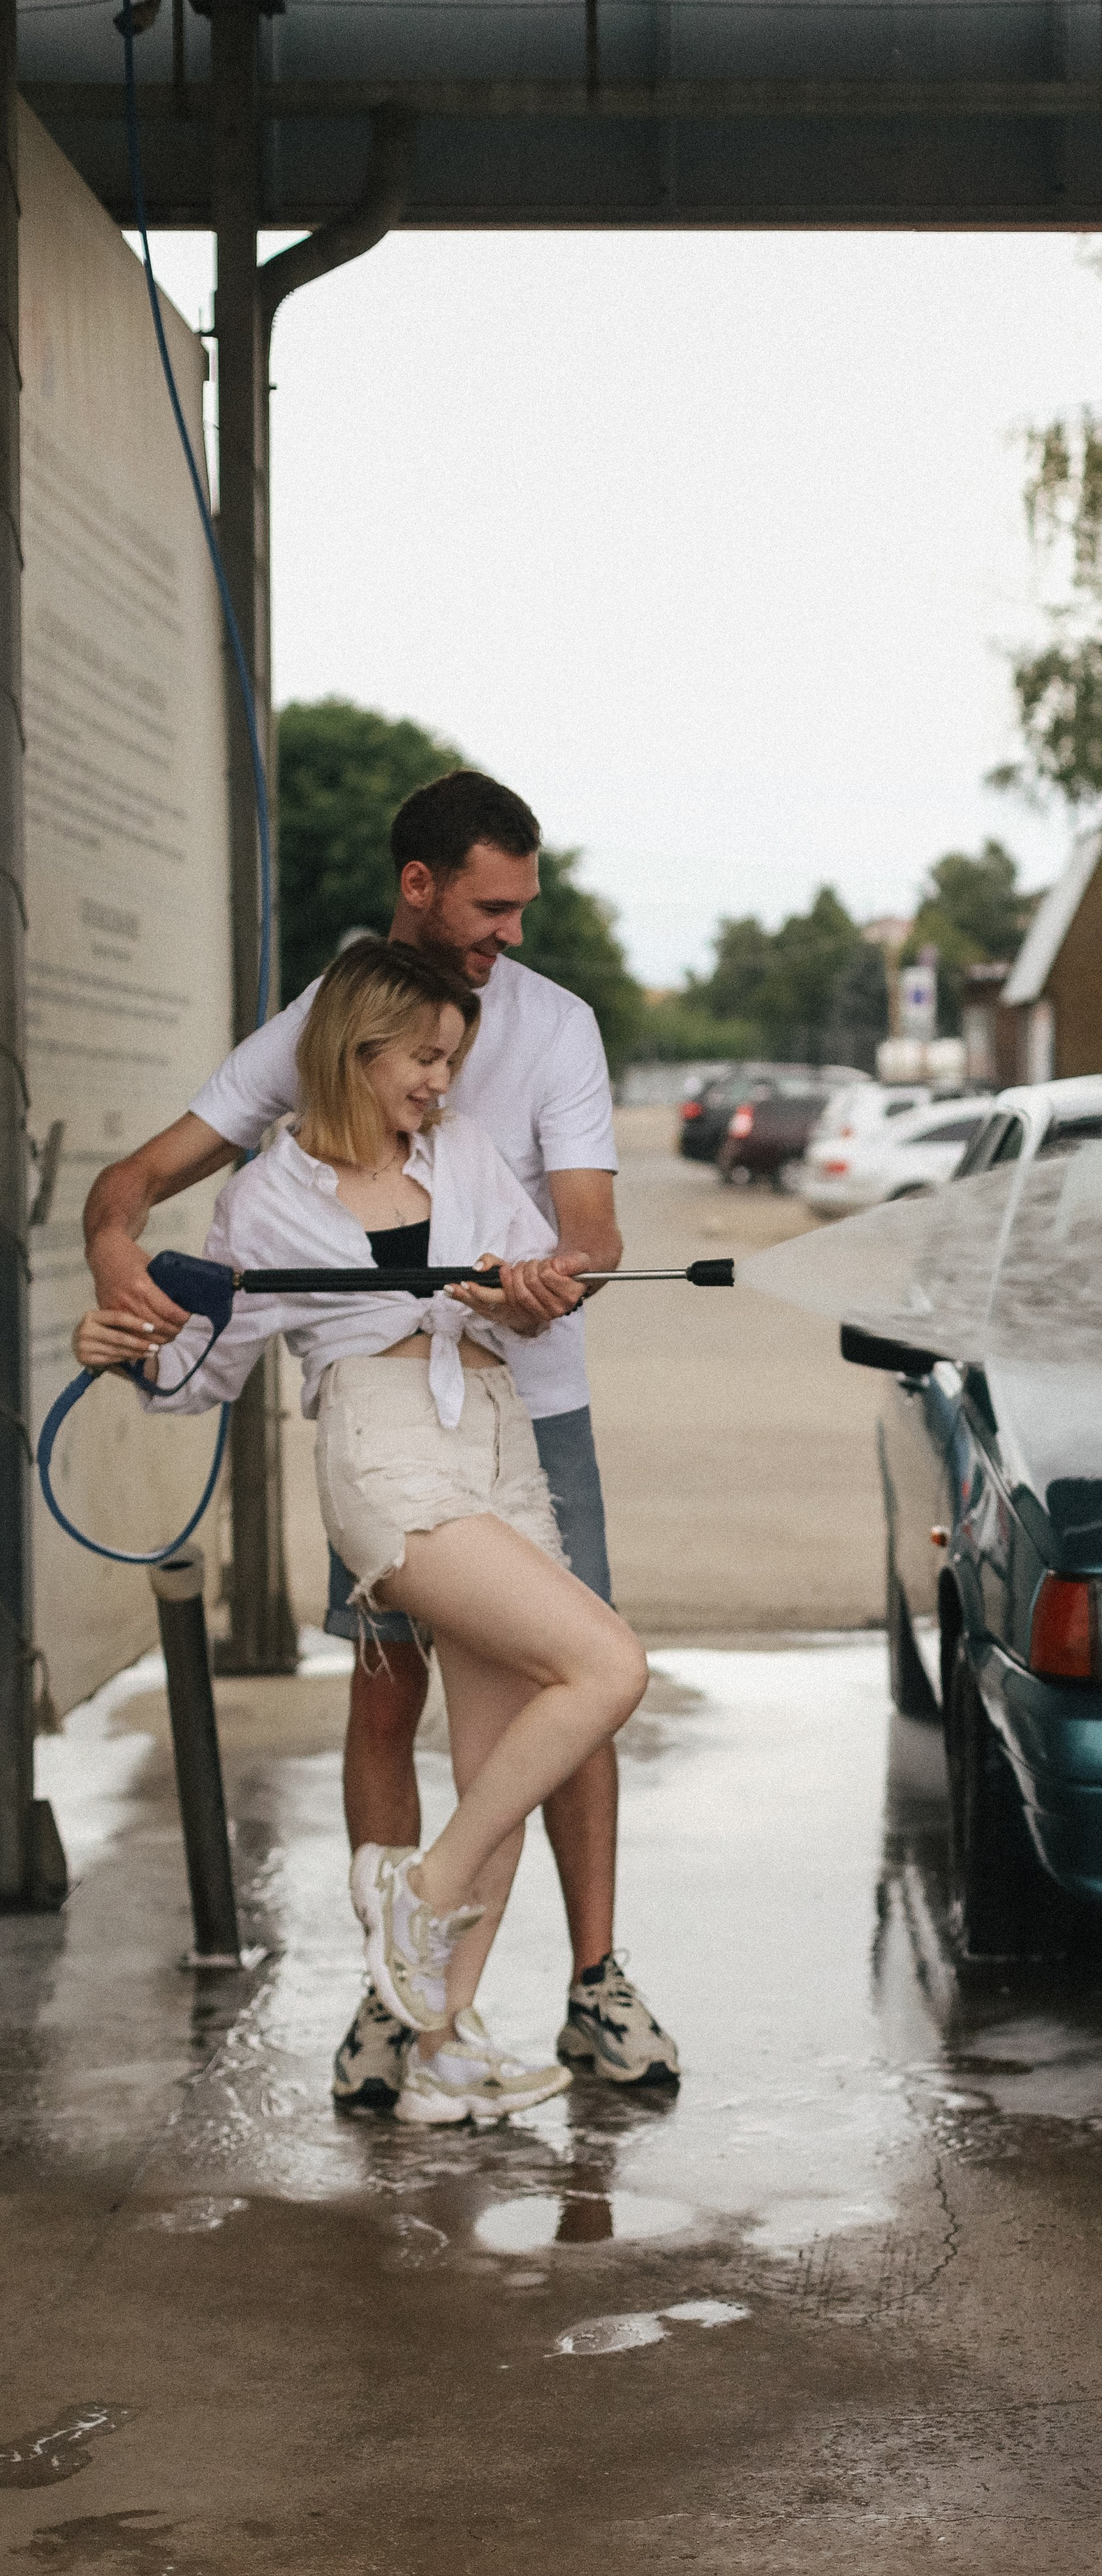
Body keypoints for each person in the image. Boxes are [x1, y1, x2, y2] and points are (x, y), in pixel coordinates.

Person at [81, 769, 678, 2107]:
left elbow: (572, 1243)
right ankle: (416, 1925)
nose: (444, 1079)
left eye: (452, 1064)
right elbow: (186, 1348)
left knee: (518, 1732)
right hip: (390, 1457)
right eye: (491, 905)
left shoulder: (467, 1137)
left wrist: (536, 1281)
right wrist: (121, 1307)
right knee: (566, 1670)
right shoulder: (269, 1187)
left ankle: (448, 2037)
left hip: (511, 1427)